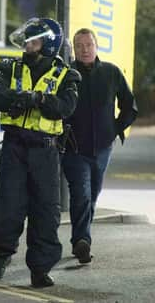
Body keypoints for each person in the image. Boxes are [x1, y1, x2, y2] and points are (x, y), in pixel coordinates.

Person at [0, 17, 80, 288]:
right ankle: (2, 255)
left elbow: (65, 107)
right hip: (14, 147)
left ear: (48, 45)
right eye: (26, 41)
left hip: (45, 150)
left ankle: (40, 269)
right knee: (7, 207)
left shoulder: (66, 74)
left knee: (46, 212)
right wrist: (21, 99)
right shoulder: (8, 67)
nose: (27, 45)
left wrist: (39, 99)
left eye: (33, 41)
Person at [62, 28, 137, 264]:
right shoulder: (66, 74)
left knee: (92, 195)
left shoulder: (111, 72)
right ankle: (81, 241)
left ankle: (82, 238)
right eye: (79, 45)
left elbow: (129, 105)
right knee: (81, 194)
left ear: (96, 46)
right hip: (74, 149)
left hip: (103, 148)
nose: (84, 49)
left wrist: (114, 129)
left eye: (88, 45)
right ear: (74, 49)